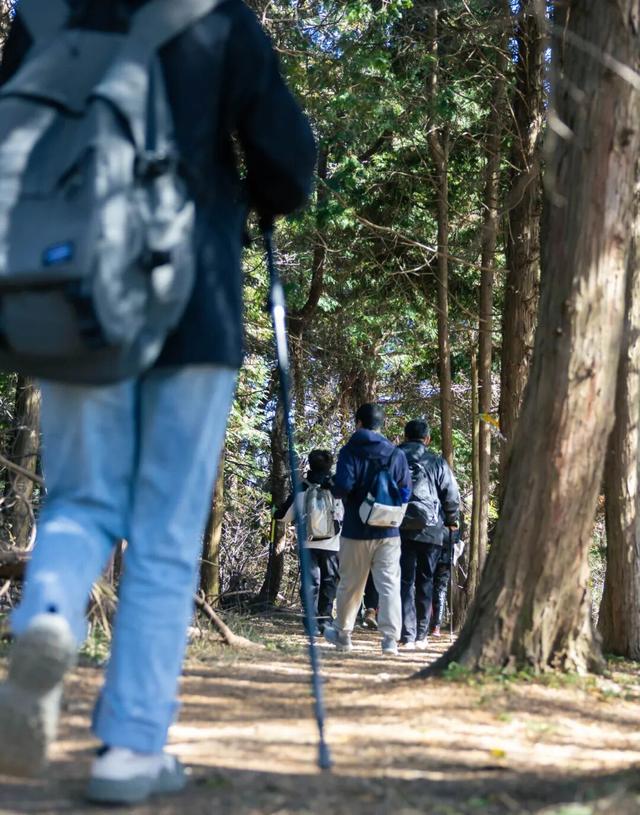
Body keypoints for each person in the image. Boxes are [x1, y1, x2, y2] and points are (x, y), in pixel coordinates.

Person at [0, 0, 316, 805]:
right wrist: (242, 187)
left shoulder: (42, 12)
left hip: (74, 299)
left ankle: (50, 615)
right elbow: (290, 165)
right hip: (193, 302)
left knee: (78, 498)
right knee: (168, 531)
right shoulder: (218, 18)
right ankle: (131, 750)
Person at [323, 403, 411, 656]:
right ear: (380, 424)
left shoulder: (350, 450)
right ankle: (390, 641)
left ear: (358, 423)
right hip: (388, 531)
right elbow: (406, 492)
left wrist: (335, 487)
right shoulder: (396, 454)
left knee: (350, 583)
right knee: (389, 585)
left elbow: (343, 487)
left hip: (356, 529)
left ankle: (343, 635)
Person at [397, 419, 459, 651]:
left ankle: (407, 635)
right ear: (427, 439)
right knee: (426, 580)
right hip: (431, 529)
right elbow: (450, 495)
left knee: (404, 580)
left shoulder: (394, 456)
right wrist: (452, 521)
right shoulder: (436, 461)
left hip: (398, 526)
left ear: (405, 436)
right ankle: (422, 635)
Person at [275, 449, 342, 634]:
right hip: (332, 544)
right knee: (329, 582)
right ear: (330, 465)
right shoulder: (337, 488)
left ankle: (310, 623)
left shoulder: (301, 488)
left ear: (310, 464)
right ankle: (326, 620)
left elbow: (283, 517)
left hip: (307, 542)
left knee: (310, 582)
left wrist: (276, 510)